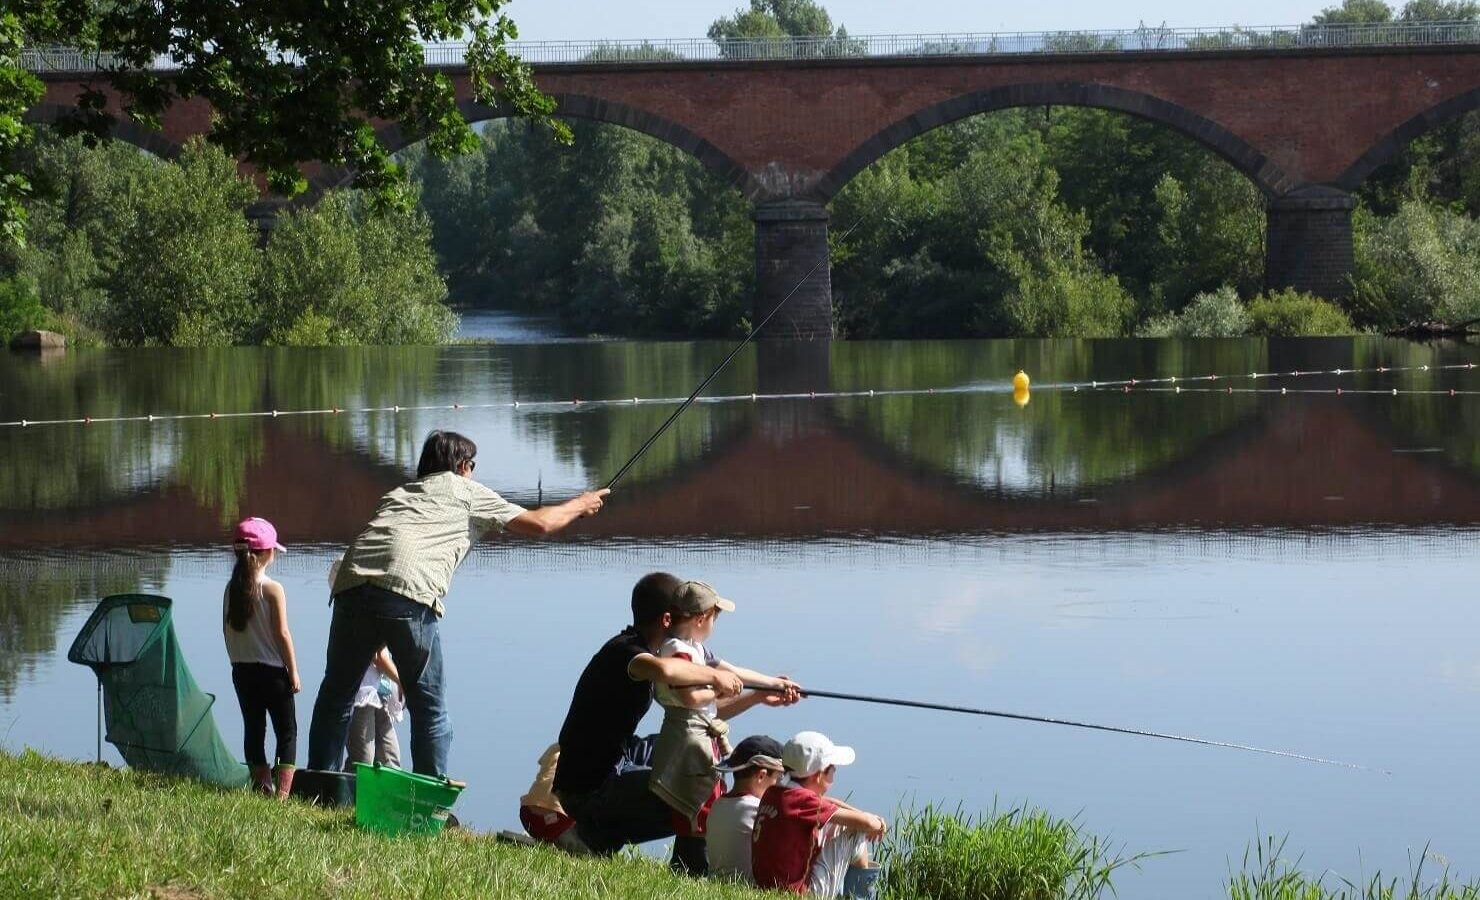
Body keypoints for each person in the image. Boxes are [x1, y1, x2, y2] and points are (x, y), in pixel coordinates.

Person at [306, 429, 608, 777]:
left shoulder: (400, 493)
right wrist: (581, 504)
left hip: (352, 584)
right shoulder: (466, 491)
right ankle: (427, 800)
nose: (474, 471)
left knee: (337, 696)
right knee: (429, 709)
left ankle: (321, 785)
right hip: (408, 591)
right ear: (462, 466)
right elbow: (540, 523)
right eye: (473, 464)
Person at [550, 572, 797, 860]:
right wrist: (716, 679)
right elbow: (666, 671)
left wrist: (761, 693)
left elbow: (700, 713)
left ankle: (600, 837)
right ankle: (595, 838)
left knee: (697, 756)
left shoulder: (670, 654)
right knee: (690, 785)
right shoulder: (628, 653)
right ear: (668, 619)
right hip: (588, 788)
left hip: (622, 759)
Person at [649, 581, 799, 876]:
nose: (715, 624)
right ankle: (693, 873)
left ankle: (690, 871)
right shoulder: (676, 651)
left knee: (701, 811)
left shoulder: (695, 649)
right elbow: (689, 695)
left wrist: (771, 684)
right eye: (715, 618)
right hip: (688, 743)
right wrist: (721, 688)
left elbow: (729, 671)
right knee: (697, 811)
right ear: (701, 618)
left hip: (699, 736)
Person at [752, 731, 887, 898]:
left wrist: (861, 814)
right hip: (799, 894)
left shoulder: (775, 792)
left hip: (767, 886)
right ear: (817, 776)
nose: (834, 776)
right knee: (856, 831)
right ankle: (862, 896)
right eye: (832, 770)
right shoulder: (802, 801)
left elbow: (826, 802)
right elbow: (867, 824)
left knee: (845, 823)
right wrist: (879, 823)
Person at [222, 517, 299, 799]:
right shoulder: (272, 589)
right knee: (286, 732)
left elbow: (226, 631)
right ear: (267, 553)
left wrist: (235, 663)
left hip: (242, 672)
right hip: (273, 674)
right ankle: (282, 795)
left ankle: (261, 788)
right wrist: (293, 671)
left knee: (253, 729)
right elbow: (282, 634)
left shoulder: (231, 590)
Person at [707, 735, 786, 883]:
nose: (781, 785)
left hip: (717, 883)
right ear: (761, 776)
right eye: (779, 777)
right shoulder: (757, 810)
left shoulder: (717, 805)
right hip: (748, 887)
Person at [345, 647, 403, 769]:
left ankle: (387, 788)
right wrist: (401, 682)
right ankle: (346, 786)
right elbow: (379, 657)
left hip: (381, 694)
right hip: (362, 696)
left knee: (390, 760)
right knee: (362, 760)